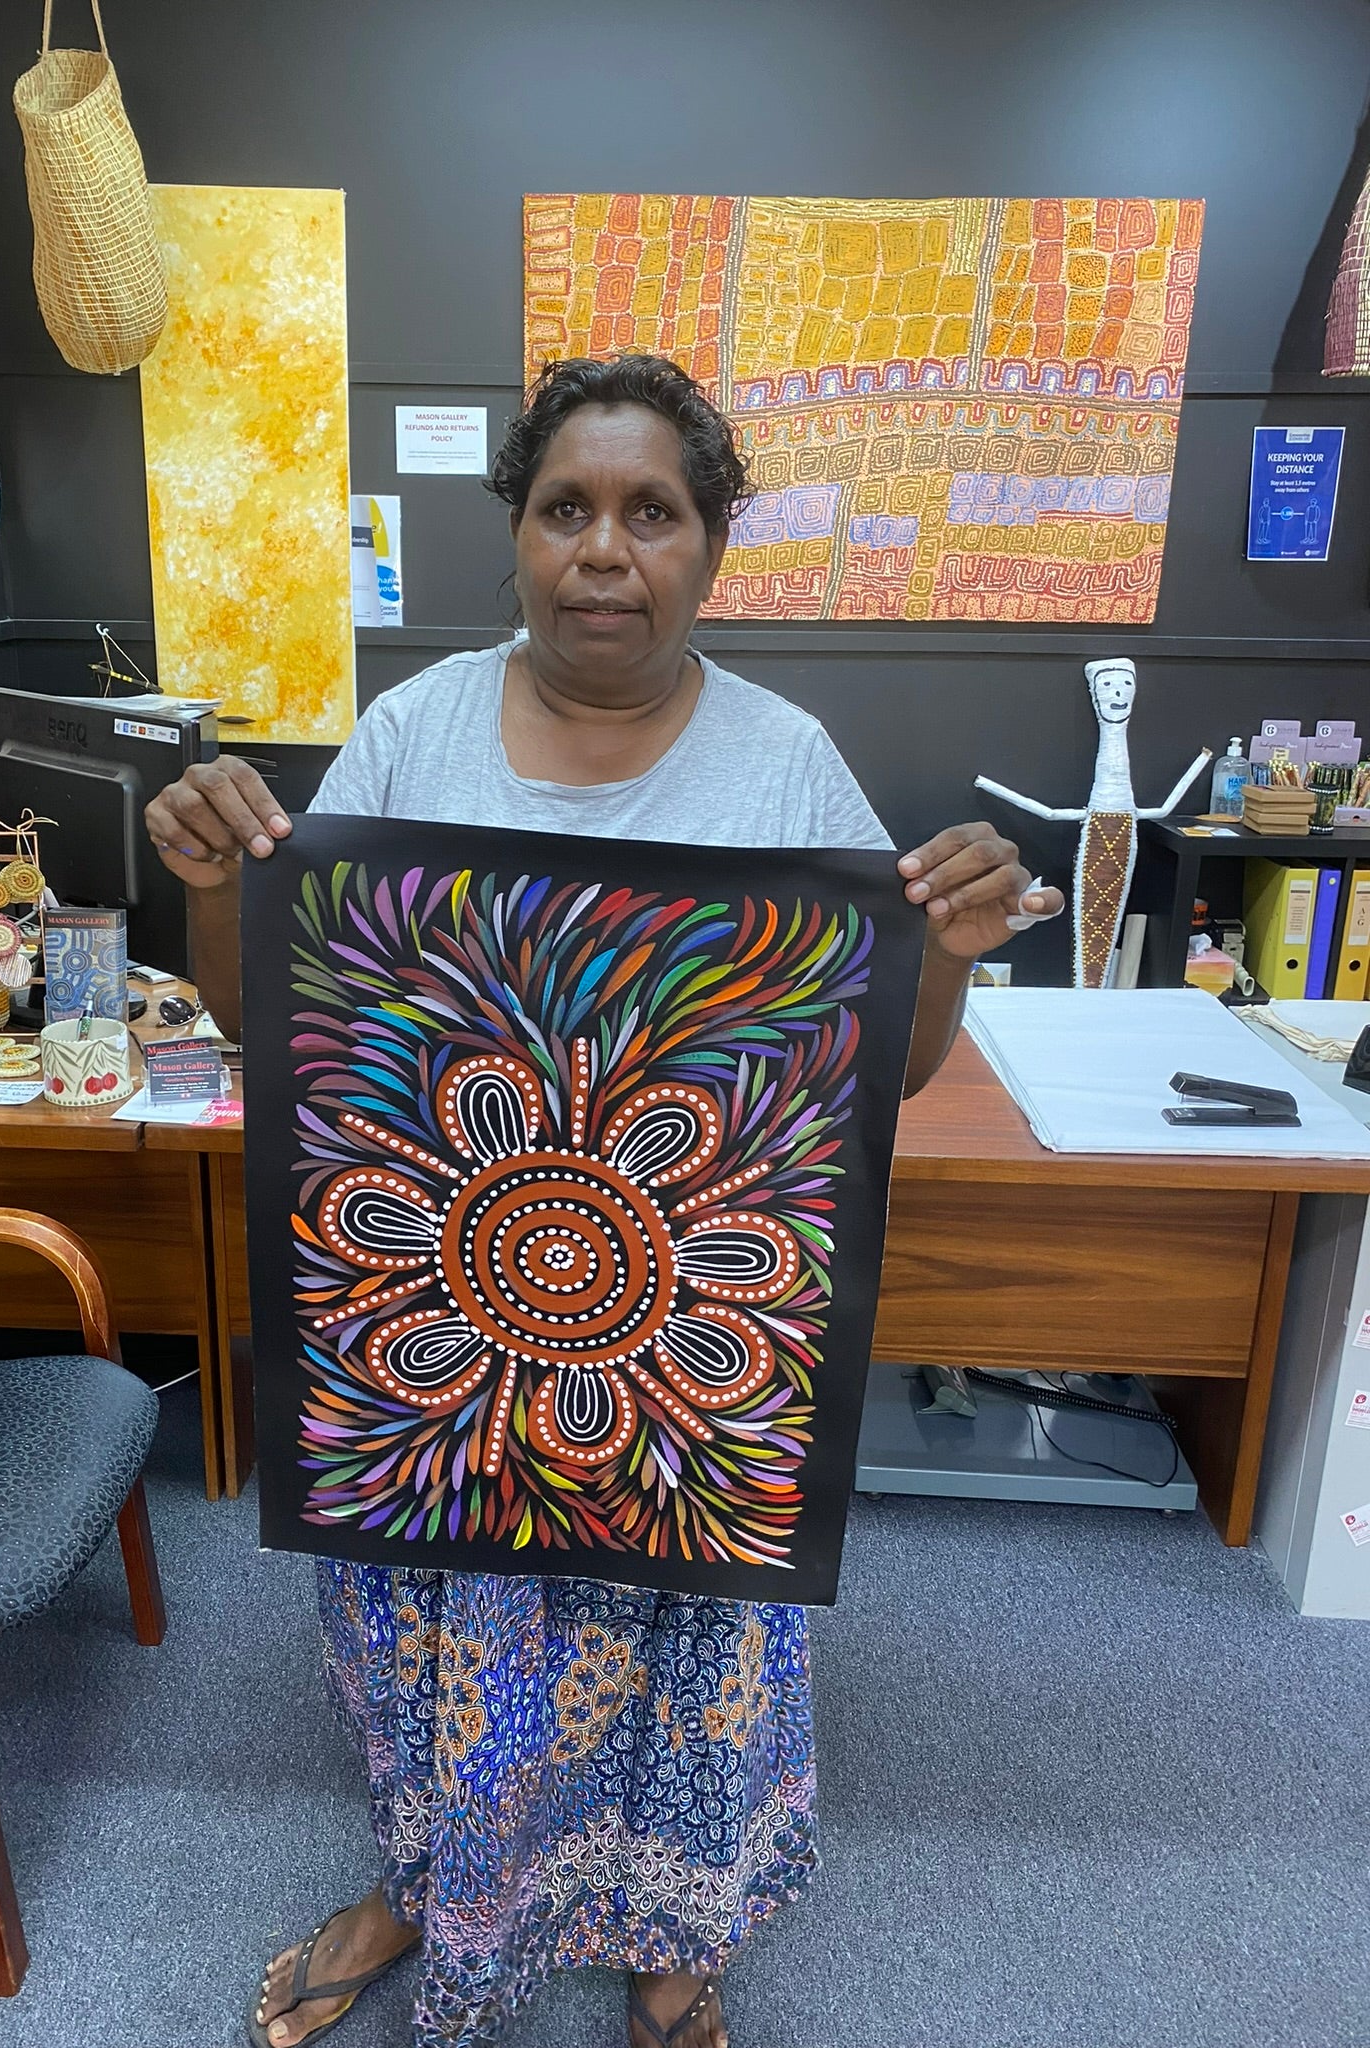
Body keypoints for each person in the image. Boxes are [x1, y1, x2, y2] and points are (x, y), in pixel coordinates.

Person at [145, 354, 1063, 2048]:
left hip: (690, 1326)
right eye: (566, 508)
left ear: (712, 548)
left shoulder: (787, 763)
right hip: (439, 1315)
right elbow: (271, 1021)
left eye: (654, 514)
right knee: (446, 1642)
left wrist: (943, 945)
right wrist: (211, 890)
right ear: (517, 534)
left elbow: (889, 1067)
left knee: (691, 1660)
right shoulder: (416, 729)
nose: (604, 552)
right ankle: (427, 1887)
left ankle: (675, 1936)